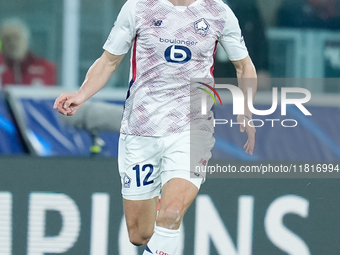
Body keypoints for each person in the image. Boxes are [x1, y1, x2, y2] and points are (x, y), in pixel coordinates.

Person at [54, 0, 257, 254]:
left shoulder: (218, 12)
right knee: (139, 234)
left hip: (192, 128)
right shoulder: (138, 7)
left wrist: (246, 110)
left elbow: (244, 66)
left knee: (171, 214)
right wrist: (81, 95)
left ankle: (169, 204)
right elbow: (109, 61)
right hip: (141, 128)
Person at [0, 18, 56, 87]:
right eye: (7, 39)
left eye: (16, 38)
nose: (13, 43)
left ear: (26, 40)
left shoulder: (45, 68)